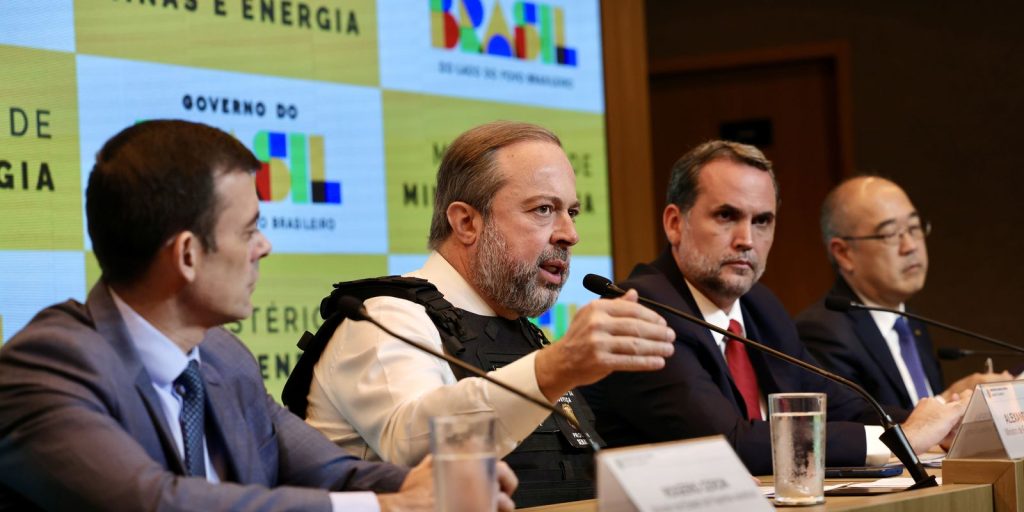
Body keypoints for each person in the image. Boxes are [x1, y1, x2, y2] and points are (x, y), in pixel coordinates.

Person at [0, 120, 517, 511]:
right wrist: (391, 507)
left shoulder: (223, 357)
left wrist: (439, 486)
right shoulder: (48, 367)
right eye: (249, 231)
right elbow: (156, 502)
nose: (264, 247)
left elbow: (334, 474)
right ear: (187, 255)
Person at [296, 121, 675, 506]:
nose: (569, 234)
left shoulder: (519, 329)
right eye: (544, 209)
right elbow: (416, 451)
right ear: (466, 222)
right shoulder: (386, 318)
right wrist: (558, 366)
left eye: (571, 212)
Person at [580, 140, 969, 475]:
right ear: (674, 223)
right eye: (726, 216)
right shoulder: (641, 309)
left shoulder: (759, 306)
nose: (747, 239)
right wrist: (903, 438)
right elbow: (728, 443)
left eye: (762, 221)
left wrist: (941, 423)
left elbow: (843, 404)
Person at [796, 176, 1010, 410]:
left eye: (914, 228)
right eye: (890, 234)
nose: (910, 246)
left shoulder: (910, 322)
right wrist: (947, 401)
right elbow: (857, 421)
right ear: (844, 253)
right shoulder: (823, 332)